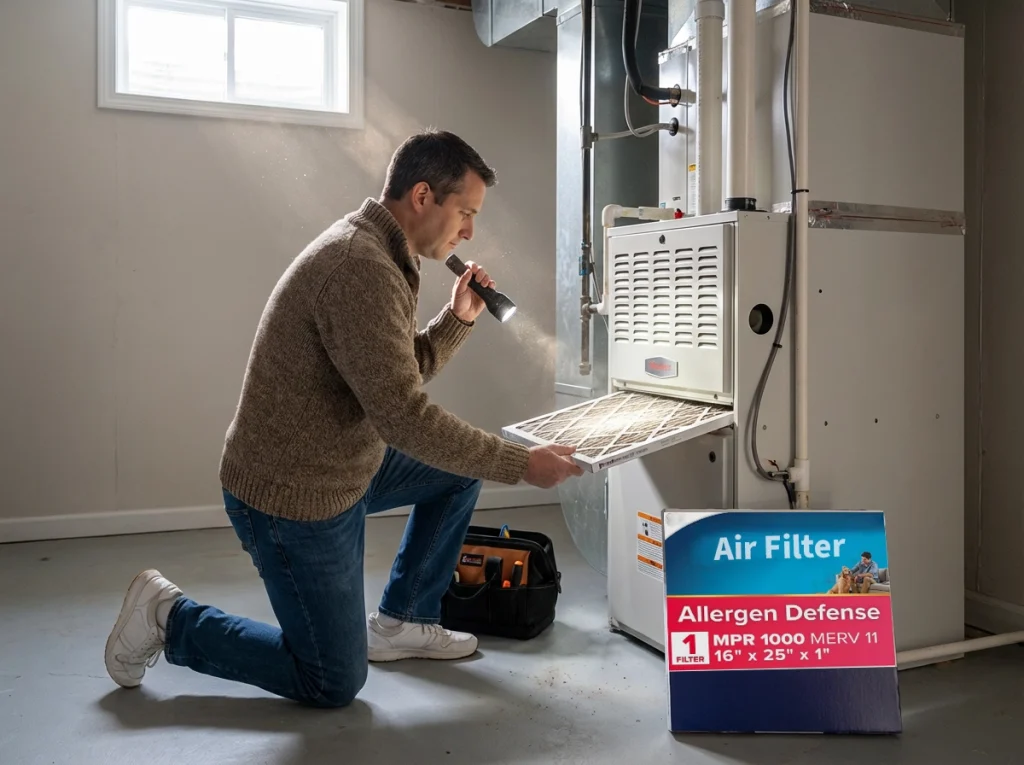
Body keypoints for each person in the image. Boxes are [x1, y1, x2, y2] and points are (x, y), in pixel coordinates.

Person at [103, 129, 583, 708]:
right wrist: (520, 463)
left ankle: (404, 620)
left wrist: (458, 318)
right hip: (292, 496)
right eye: (466, 213)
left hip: (345, 466)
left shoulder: (383, 255)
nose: (469, 232)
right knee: (331, 680)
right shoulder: (361, 267)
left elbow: (391, 378)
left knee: (458, 473)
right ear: (423, 196)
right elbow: (403, 417)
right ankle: (168, 617)